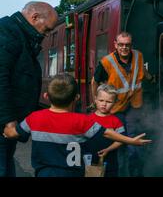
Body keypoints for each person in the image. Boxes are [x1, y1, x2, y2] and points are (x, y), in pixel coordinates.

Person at [2, 75, 151, 177]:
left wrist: (8, 124)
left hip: (44, 173)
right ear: (76, 98)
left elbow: (12, 133)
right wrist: (131, 141)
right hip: (73, 173)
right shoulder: (82, 121)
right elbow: (106, 133)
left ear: (46, 96)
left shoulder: (34, 118)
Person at [0, 1, 58, 177]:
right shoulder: (6, 34)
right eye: (47, 29)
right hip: (3, 128)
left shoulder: (19, 36)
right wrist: (9, 122)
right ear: (34, 17)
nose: (47, 35)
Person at [91, 31, 152, 176]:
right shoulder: (107, 62)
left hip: (134, 105)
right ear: (115, 45)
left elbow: (142, 70)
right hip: (116, 107)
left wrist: (151, 78)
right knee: (118, 140)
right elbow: (95, 81)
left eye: (127, 45)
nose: (124, 48)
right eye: (121, 45)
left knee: (133, 140)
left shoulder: (138, 55)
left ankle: (135, 173)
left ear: (131, 45)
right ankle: (119, 171)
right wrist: (96, 100)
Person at [84, 84, 125, 177]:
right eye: (101, 100)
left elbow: (121, 139)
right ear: (95, 99)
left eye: (109, 101)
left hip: (110, 163)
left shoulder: (116, 121)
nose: (104, 104)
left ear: (114, 102)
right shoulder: (88, 119)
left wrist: (108, 149)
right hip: (90, 163)